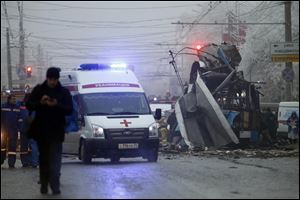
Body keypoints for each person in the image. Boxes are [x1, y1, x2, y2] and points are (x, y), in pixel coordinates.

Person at [26, 67, 73, 195]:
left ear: (57, 79)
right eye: (51, 79)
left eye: (55, 79)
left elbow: (69, 109)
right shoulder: (39, 90)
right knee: (44, 160)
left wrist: (56, 104)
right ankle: (44, 184)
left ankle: (55, 186)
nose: (53, 82)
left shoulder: (63, 92)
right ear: (47, 78)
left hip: (56, 133)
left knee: (56, 162)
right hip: (41, 132)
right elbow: (29, 104)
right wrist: (40, 102)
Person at [1, 94, 23, 168]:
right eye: (13, 99)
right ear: (9, 99)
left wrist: (20, 129)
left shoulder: (17, 108)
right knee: (2, 146)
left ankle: (11, 163)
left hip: (13, 131)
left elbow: (19, 120)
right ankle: (1, 159)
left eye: (15, 99)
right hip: (3, 130)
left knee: (12, 148)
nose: (14, 100)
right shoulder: (3, 107)